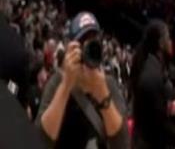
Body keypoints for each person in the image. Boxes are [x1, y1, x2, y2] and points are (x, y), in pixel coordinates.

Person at [35, 11, 129, 149]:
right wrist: (66, 85)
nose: (88, 47)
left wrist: (102, 93)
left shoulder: (108, 84)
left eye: (93, 41)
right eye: (83, 41)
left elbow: (123, 144)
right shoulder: (58, 82)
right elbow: (39, 140)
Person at [129, 19, 175, 149]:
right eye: (168, 37)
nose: (171, 41)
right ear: (160, 43)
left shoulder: (154, 67)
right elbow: (157, 120)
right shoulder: (152, 73)